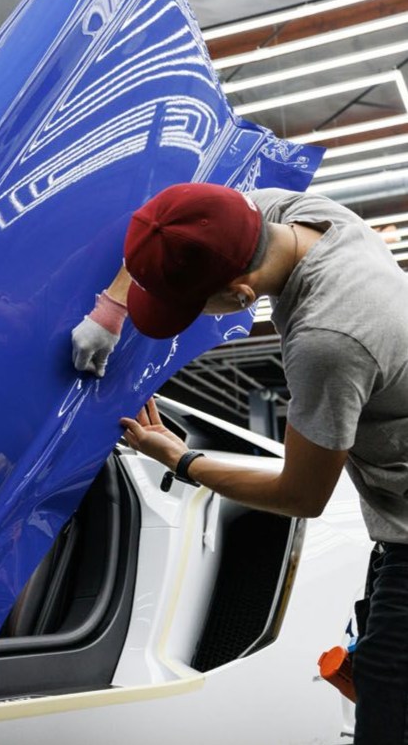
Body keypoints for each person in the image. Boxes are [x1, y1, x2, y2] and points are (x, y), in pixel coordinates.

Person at [71, 182, 408, 745]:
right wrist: (110, 309)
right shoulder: (295, 214)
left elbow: (302, 497)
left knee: (388, 708)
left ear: (240, 294)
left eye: (190, 305)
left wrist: (183, 462)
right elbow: (171, 220)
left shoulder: (328, 341)